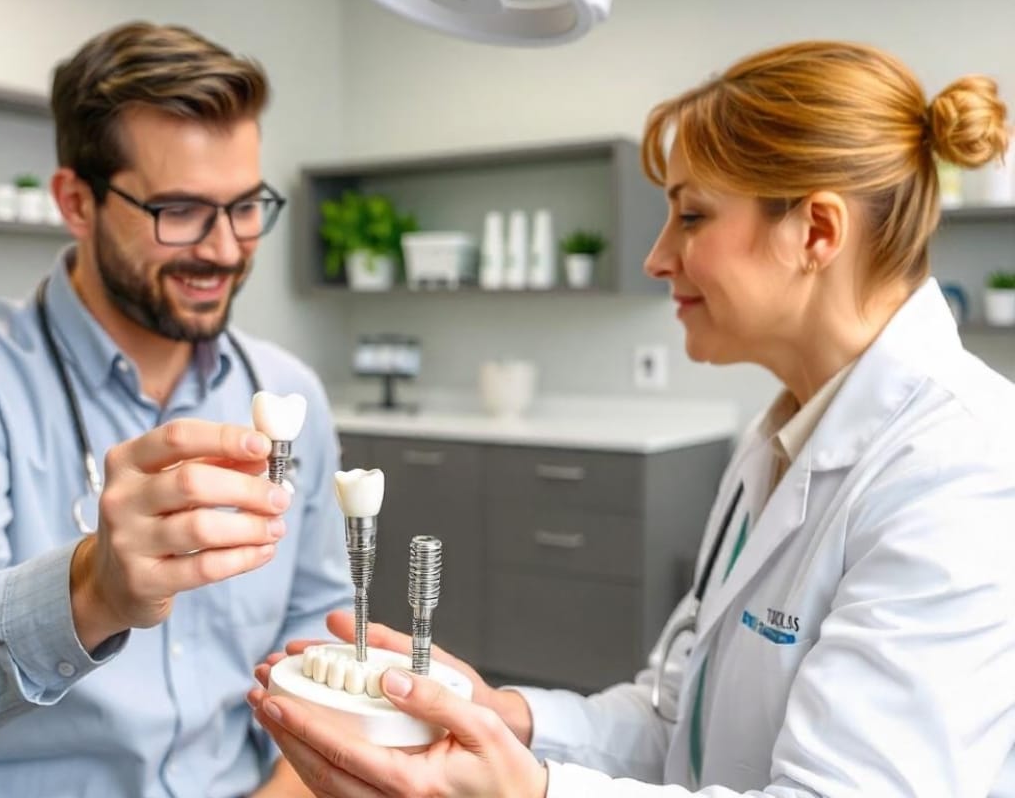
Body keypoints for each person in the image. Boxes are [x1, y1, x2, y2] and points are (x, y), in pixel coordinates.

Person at [248, 40, 1015, 797]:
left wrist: (525, 793)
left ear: (815, 231)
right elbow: (675, 718)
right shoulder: (776, 444)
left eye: (691, 216)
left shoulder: (961, 467)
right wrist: (502, 717)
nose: (656, 257)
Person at [0, 21, 351, 798]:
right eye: (180, 211)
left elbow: (319, 627)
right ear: (76, 202)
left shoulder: (288, 397)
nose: (223, 249)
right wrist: (92, 590)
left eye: (246, 206)